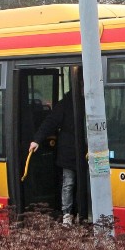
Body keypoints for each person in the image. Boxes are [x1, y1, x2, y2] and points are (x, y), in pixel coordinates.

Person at [29, 90, 79, 226]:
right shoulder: (65, 105)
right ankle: (67, 214)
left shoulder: (92, 102)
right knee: (68, 183)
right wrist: (37, 140)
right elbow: (49, 122)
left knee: (84, 184)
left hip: (86, 153)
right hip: (68, 152)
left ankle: (82, 211)